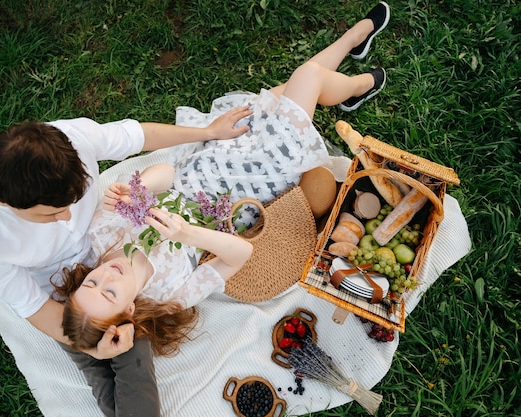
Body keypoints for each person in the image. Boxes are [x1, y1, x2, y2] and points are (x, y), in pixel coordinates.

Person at [55, 2, 391, 354]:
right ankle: (359, 83)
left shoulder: (102, 239)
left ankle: (354, 44)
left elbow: (167, 174)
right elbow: (239, 253)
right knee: (308, 77)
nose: (107, 275)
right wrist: (186, 233)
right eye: (109, 292)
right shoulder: (169, 295)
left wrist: (138, 188)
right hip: (244, 191)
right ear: (127, 310)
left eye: (91, 282)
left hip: (206, 164)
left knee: (288, 90)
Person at [0, 104, 252, 416]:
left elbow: (139, 136)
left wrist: (208, 132)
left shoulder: (74, 145)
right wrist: (95, 346)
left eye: (73, 200)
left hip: (101, 260)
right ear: (3, 202)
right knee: (99, 358)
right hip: (63, 291)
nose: (68, 217)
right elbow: (36, 308)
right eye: (52, 213)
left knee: (133, 363)